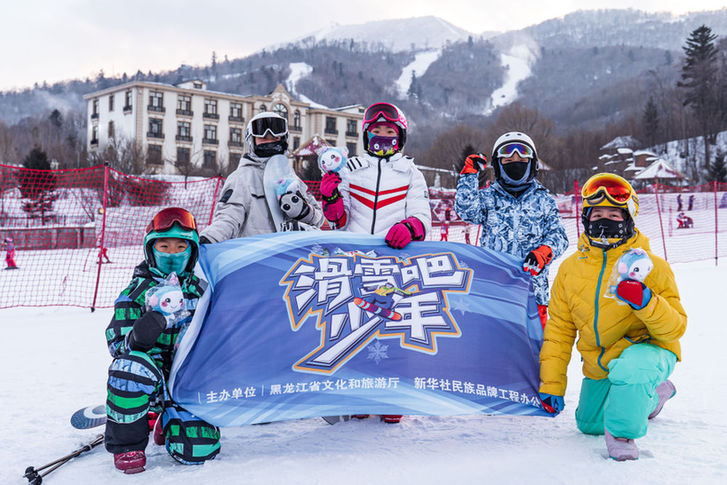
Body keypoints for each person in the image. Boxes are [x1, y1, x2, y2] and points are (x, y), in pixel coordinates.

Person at [538, 173, 687, 461]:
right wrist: (552, 384)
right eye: (597, 213)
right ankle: (654, 396)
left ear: (629, 218)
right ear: (586, 218)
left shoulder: (652, 266)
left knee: (632, 371)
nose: (604, 220)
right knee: (589, 424)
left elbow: (675, 328)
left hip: (648, 352)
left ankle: (623, 437)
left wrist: (645, 302)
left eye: (614, 214)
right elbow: (559, 330)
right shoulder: (570, 270)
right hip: (601, 362)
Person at [319, 101, 432, 423]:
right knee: (354, 327)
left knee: (392, 327)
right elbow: (337, 220)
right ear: (367, 136)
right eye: (377, 132)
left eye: (390, 132)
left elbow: (422, 214)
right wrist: (329, 196)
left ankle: (393, 396)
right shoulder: (352, 168)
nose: (383, 136)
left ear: (400, 137)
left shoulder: (410, 172)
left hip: (394, 262)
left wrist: (410, 227)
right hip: (354, 261)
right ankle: (357, 393)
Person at [104, 207, 220, 473]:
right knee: (129, 369)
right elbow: (118, 347)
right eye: (164, 246)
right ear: (151, 249)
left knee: (198, 450)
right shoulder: (135, 293)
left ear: (191, 252)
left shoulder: (203, 291)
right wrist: (143, 332)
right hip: (149, 378)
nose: (172, 254)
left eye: (180, 247)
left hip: (189, 379)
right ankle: (128, 444)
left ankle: (167, 421)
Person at [455, 132, 568, 329]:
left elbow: (559, 236)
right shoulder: (489, 198)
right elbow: (466, 212)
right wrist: (468, 177)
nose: (515, 162)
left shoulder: (544, 200)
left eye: (522, 157)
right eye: (508, 158)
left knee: (533, 356)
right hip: (494, 295)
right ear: (498, 164)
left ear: (532, 163)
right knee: (493, 353)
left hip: (532, 295)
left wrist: (544, 252)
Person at [199, 112, 323, 243]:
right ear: (251, 141)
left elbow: (319, 221)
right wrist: (208, 239)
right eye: (263, 137)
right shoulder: (241, 178)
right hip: (256, 256)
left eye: (275, 137)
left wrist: (305, 212)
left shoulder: (293, 179)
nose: (269, 141)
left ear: (284, 138)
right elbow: (228, 218)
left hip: (290, 257)